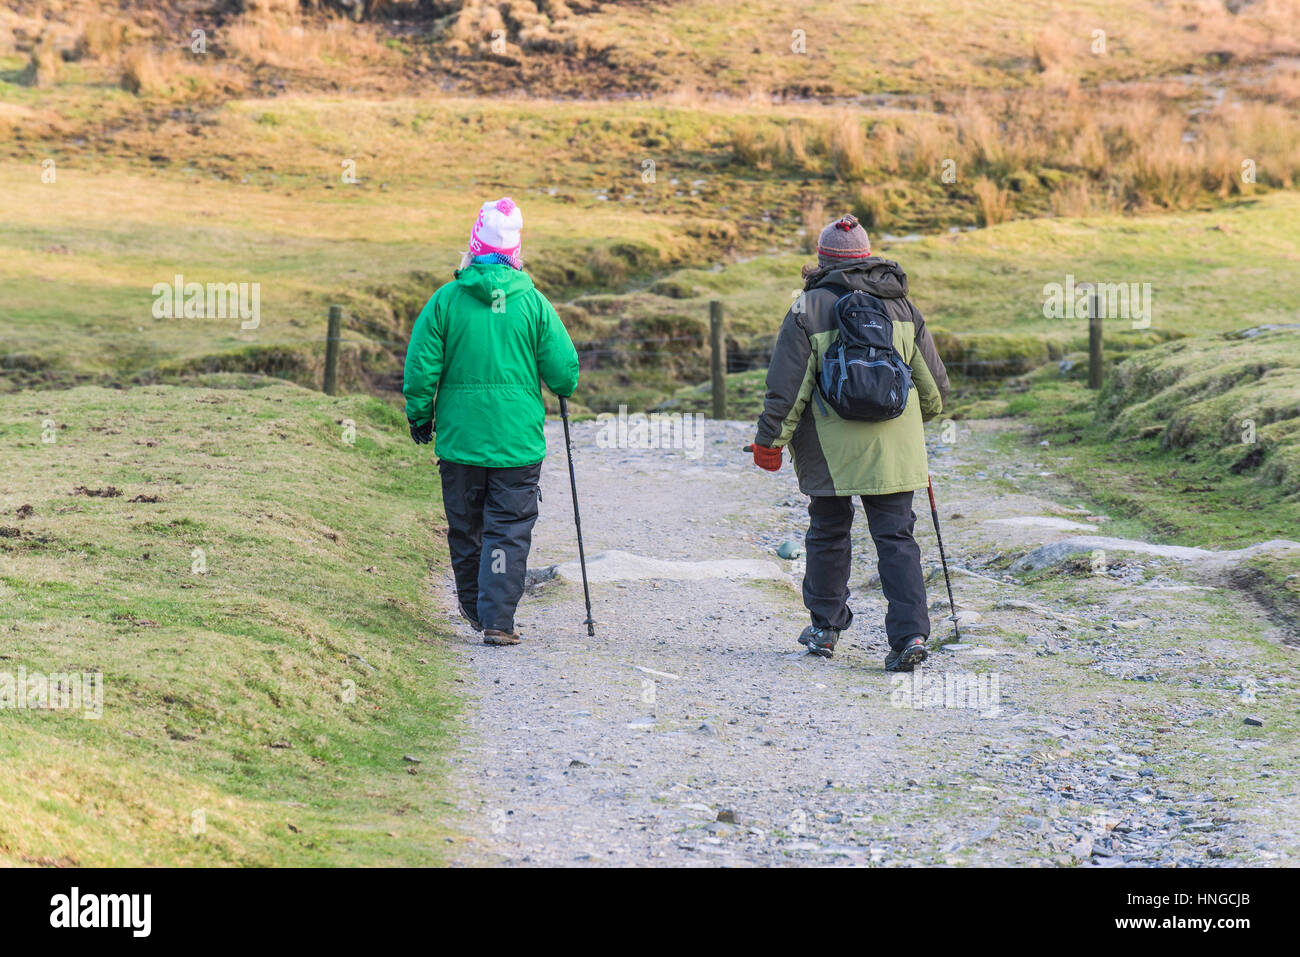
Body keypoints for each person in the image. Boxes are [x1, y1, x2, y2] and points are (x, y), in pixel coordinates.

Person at [751, 213, 950, 671]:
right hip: (894, 452)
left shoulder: (807, 307)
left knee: (828, 532)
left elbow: (788, 386)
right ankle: (911, 636)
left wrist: (769, 443)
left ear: (822, 260)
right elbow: (934, 393)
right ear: (867, 256)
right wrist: (906, 425)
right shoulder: (903, 306)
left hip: (828, 449)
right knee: (897, 538)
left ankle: (825, 628)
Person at [403, 198, 579, 646]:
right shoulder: (534, 304)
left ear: (474, 244)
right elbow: (564, 374)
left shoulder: (445, 301)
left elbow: (421, 368)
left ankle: (473, 606)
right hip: (516, 443)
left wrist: (420, 416)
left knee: (467, 525)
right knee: (508, 527)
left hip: (461, 442)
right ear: (516, 249)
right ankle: (497, 618)